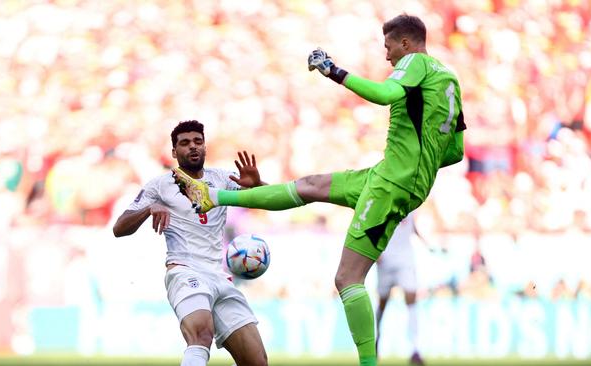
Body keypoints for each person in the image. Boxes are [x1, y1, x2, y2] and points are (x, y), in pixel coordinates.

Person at [173, 14, 465, 366]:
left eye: (388, 48)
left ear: (405, 43)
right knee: (311, 186)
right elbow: (455, 151)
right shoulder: (449, 80)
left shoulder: (415, 62)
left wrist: (333, 70)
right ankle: (213, 196)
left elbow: (386, 93)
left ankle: (369, 363)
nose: (386, 56)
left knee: (347, 279)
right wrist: (420, 160)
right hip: (387, 176)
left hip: (392, 183)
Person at [112, 120, 268, 366]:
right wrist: (149, 209)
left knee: (257, 361)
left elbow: (271, 200)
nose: (193, 147)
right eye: (184, 143)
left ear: (205, 146)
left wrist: (257, 185)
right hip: (185, 271)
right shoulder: (159, 185)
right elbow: (119, 228)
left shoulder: (223, 178)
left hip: (220, 277)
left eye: (198, 141)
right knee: (200, 336)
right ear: (174, 152)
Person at [374, 212, 424, 365]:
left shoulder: (412, 201)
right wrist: (376, 252)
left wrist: (426, 243)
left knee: (411, 299)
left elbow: (412, 226)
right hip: (386, 258)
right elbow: (373, 225)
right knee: (383, 303)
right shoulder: (384, 196)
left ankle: (415, 349)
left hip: (405, 258)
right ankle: (376, 339)